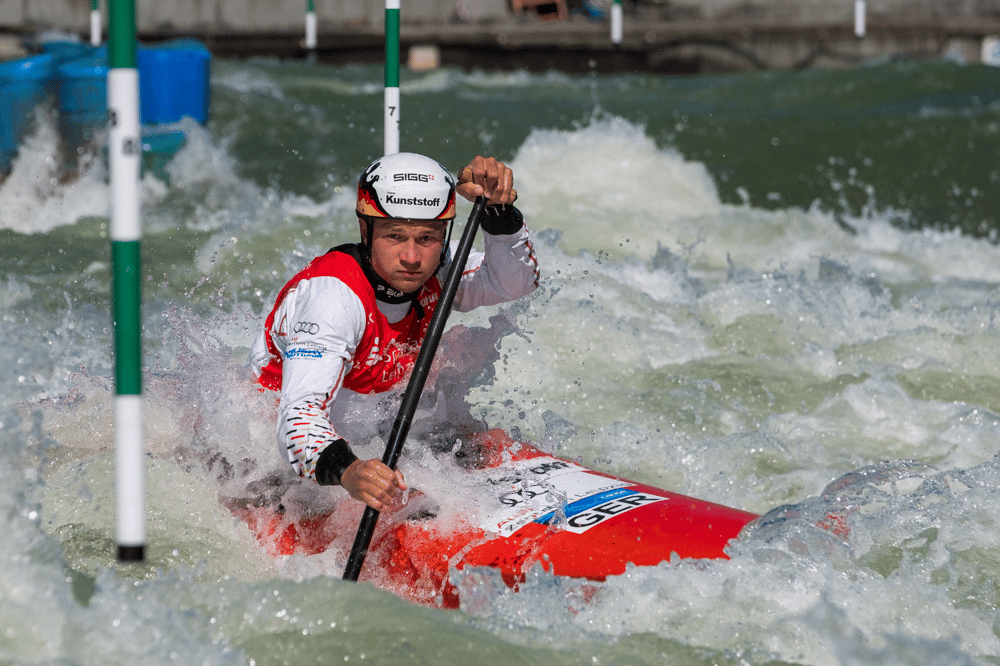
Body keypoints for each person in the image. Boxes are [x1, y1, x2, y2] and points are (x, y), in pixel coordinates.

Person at [249, 153, 539, 512]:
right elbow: (299, 414)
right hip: (285, 455)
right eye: (395, 236)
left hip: (374, 422)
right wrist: (349, 471)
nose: (413, 257)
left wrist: (498, 213)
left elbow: (514, 283)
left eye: (428, 237)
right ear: (365, 230)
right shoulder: (333, 297)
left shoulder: (437, 267)